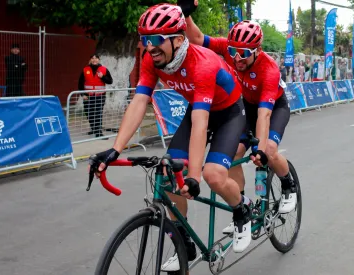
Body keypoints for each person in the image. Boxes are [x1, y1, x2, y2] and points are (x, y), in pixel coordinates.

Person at [88, 3, 252, 272]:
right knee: (168, 169)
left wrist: (194, 176)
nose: (149, 47)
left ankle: (241, 210)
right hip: (198, 109)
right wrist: (115, 149)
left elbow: (201, 124)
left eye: (155, 40)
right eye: (144, 39)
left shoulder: (202, 64)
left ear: (178, 40)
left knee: (212, 175)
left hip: (229, 114)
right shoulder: (153, 61)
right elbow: (140, 100)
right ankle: (182, 240)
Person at [180, 1, 297, 235]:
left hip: (273, 109)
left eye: (243, 54)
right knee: (234, 152)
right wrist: (186, 14)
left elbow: (264, 115)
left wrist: (262, 149)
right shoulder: (230, 48)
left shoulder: (269, 70)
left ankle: (288, 185)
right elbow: (198, 39)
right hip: (246, 108)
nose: (237, 58)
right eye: (233, 52)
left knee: (270, 151)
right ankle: (243, 207)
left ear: (258, 50)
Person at [78, 54, 113, 138]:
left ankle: (98, 132)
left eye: (96, 58)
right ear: (90, 60)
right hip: (88, 96)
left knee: (98, 113)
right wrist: (83, 94)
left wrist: (102, 77)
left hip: (100, 96)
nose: (94, 60)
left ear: (99, 60)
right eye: (92, 58)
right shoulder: (85, 69)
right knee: (89, 113)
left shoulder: (104, 70)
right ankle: (94, 128)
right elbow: (80, 83)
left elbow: (110, 81)